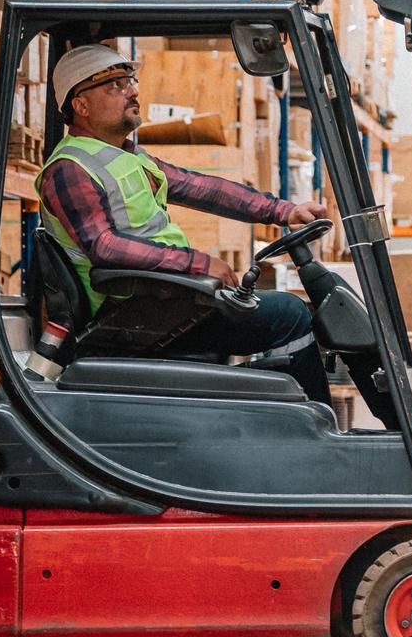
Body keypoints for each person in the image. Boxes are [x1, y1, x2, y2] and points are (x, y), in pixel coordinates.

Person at [38, 44, 332, 398]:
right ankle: (315, 418)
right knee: (288, 314)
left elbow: (203, 189)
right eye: (115, 85)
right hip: (134, 315)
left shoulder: (128, 157)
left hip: (164, 299)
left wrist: (283, 211)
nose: (132, 91)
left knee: (279, 315)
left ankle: (283, 410)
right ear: (81, 105)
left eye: (130, 81)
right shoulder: (69, 169)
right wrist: (198, 264)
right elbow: (105, 246)